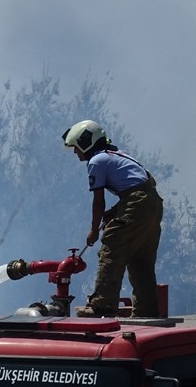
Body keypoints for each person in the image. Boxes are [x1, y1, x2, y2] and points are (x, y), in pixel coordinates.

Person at [62, 119, 163, 317]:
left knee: (112, 246)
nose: (75, 153)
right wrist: (117, 210)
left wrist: (93, 231)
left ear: (85, 142)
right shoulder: (117, 155)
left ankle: (102, 305)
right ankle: (146, 311)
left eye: (76, 147)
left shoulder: (97, 161)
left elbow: (98, 200)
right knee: (140, 257)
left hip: (136, 202)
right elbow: (137, 186)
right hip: (152, 203)